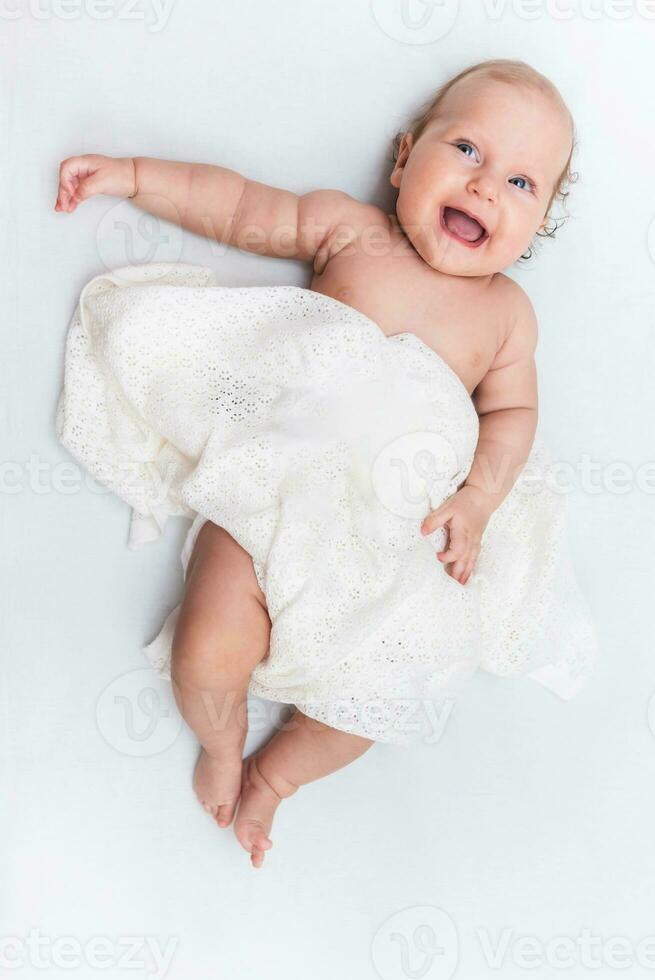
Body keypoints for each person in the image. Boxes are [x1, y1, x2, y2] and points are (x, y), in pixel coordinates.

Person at [54, 59, 596, 868]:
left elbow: (512, 419)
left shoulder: (506, 317)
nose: (485, 188)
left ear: (539, 224)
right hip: (270, 497)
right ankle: (222, 740)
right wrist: (135, 177)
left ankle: (277, 777)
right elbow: (236, 206)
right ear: (404, 158)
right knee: (205, 650)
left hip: (393, 542)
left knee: (372, 701)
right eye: (468, 152)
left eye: (520, 182)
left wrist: (477, 502)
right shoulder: (352, 231)